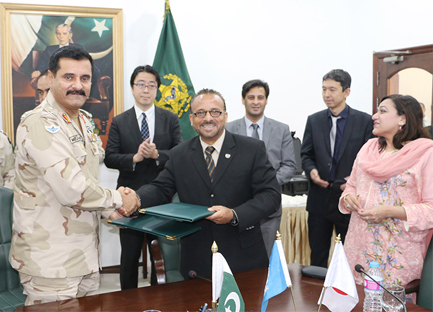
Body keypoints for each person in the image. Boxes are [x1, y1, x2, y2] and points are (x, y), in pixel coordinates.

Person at [9, 46, 139, 306]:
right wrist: (117, 199)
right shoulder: (39, 123)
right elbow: (72, 189)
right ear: (51, 78)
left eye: (85, 78)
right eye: (68, 77)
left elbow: (87, 178)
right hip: (50, 261)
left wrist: (107, 210)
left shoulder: (84, 120)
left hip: (85, 254)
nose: (77, 85)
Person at [134, 88, 281, 278]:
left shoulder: (252, 149)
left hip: (244, 258)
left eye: (215, 112)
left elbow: (271, 196)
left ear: (225, 116)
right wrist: (136, 199)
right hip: (197, 259)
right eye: (200, 113)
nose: (208, 118)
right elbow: (160, 188)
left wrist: (234, 214)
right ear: (191, 119)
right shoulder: (179, 154)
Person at [340, 94, 433, 288]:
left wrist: (389, 211)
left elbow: (431, 209)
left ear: (403, 118)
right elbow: (352, 185)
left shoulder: (426, 154)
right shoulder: (368, 148)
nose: (374, 116)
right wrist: (348, 197)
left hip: (396, 255)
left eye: (382, 111)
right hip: (358, 249)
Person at [104, 65, 182, 289]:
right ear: (132, 88)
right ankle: (127, 301)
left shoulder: (170, 118)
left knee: (162, 257)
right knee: (129, 256)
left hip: (162, 198)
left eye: (151, 85)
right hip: (129, 196)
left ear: (157, 89)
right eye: (141, 84)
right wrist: (135, 158)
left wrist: (158, 155)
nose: (146, 90)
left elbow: (180, 153)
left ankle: (160, 300)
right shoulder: (119, 121)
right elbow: (110, 157)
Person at [301, 69, 373, 268]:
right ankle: (315, 296)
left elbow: (370, 159)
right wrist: (311, 171)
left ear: (346, 92)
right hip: (319, 197)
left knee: (348, 256)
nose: (327, 95)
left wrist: (354, 179)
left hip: (348, 198)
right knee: (318, 255)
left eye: (332, 90)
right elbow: (306, 154)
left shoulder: (364, 121)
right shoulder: (314, 120)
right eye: (324, 89)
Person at [226, 79, 296, 256]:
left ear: (266, 100)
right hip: (236, 206)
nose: (256, 102)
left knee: (266, 257)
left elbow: (289, 166)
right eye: (251, 97)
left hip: (269, 208)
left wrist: (265, 183)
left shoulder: (281, 129)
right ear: (243, 100)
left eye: (260, 97)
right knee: (237, 257)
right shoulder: (228, 129)